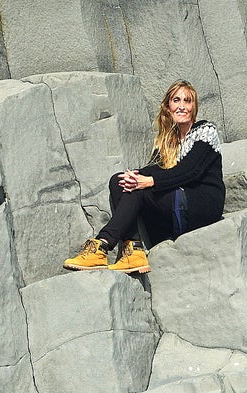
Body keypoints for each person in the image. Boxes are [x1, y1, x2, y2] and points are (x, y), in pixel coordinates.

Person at [63, 80, 225, 273]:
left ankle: (102, 244)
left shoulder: (205, 130)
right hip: (175, 206)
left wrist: (148, 181)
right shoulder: (167, 140)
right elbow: (154, 169)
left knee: (140, 189)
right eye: (176, 100)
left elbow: (190, 171)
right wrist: (135, 176)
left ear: (194, 107)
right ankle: (133, 251)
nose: (182, 106)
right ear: (168, 107)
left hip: (201, 207)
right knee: (119, 181)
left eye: (188, 101)